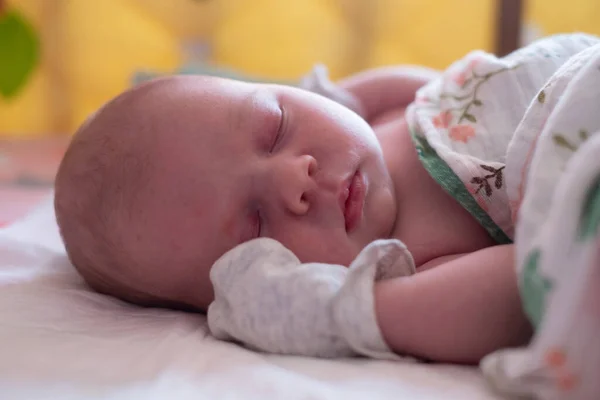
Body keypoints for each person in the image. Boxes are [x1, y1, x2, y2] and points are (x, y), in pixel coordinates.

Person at [54, 33, 598, 364]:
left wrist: (347, 96)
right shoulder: (404, 263)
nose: (295, 179)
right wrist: (357, 312)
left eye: (275, 126)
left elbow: (444, 87)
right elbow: (516, 287)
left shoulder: (378, 116)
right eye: (255, 225)